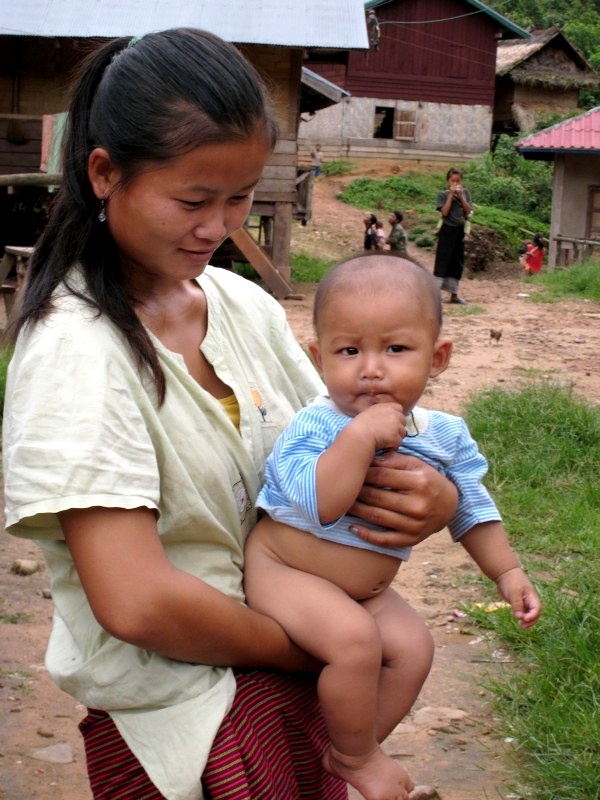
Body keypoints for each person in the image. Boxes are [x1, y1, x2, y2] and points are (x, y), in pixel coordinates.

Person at [1, 29, 459, 800]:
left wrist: (432, 499)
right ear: (105, 174)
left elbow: (332, 444)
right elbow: (138, 601)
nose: (218, 226)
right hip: (180, 720)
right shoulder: (76, 350)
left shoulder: (244, 307)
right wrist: (313, 646)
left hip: (293, 682)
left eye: (239, 197)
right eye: (193, 200)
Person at [245, 254, 542, 800]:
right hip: (284, 570)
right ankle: (357, 757)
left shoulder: (444, 435)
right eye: (349, 351)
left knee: (414, 649)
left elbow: (470, 506)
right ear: (319, 358)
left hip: (364, 591)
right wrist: (358, 438)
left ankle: (347, 748)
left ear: (438, 357)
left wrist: (507, 572)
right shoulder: (316, 424)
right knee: (356, 643)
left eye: (396, 349)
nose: (371, 369)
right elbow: (318, 504)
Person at [433, 167, 472, 304]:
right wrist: (450, 195)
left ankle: (454, 295)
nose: (455, 183)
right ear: (448, 181)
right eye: (452, 181)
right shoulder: (442, 195)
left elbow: (468, 211)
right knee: (442, 260)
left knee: (457, 262)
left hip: (460, 230)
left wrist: (461, 196)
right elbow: (444, 212)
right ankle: (435, 295)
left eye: (458, 181)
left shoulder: (465, 193)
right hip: (447, 229)